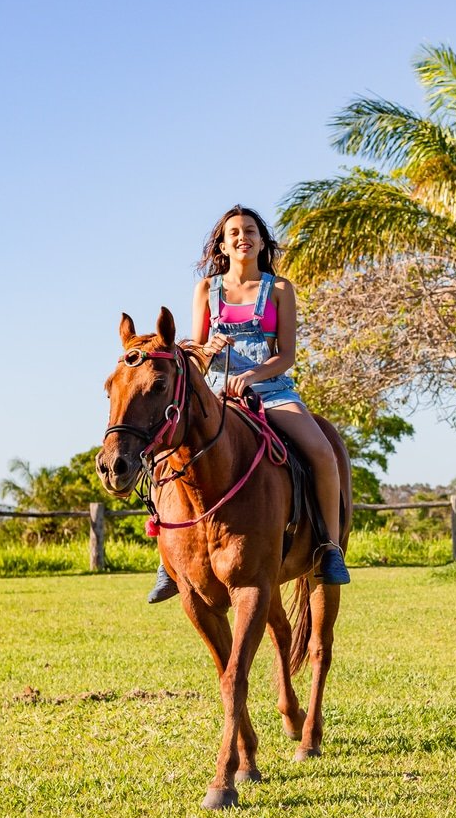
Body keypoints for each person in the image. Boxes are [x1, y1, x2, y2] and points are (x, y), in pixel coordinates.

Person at [147, 205, 350, 602]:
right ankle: (169, 560)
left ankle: (329, 547)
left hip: (272, 391)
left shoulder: (280, 289)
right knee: (161, 457)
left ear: (261, 240)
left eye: (250, 230)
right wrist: (208, 348)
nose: (243, 237)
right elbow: (194, 351)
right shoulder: (207, 289)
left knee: (324, 454)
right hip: (218, 395)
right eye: (234, 232)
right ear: (222, 243)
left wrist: (253, 376)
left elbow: (286, 353)